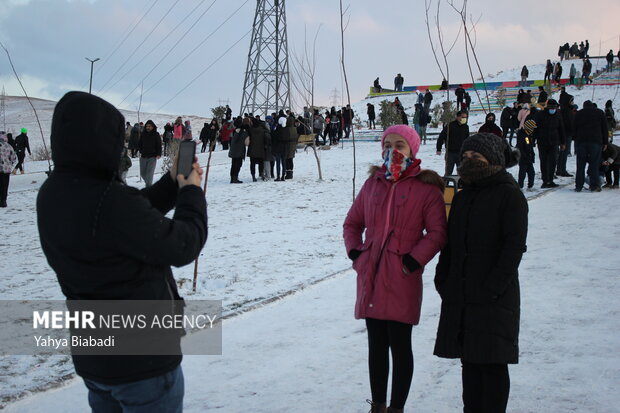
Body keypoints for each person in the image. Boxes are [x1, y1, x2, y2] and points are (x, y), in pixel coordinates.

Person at [37, 91, 207, 413]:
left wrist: (172, 183)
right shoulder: (109, 202)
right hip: (141, 364)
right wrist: (191, 192)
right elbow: (184, 244)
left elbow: (130, 218)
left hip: (96, 358)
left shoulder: (54, 193)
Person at [343, 124, 447, 413]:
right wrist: (356, 254)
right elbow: (352, 223)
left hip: (402, 275)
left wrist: (412, 261)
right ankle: (377, 405)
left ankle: (396, 408)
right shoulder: (373, 183)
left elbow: (437, 233)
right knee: (376, 345)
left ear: (412, 149)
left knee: (400, 347)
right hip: (371, 274)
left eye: (400, 144)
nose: (393, 150)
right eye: (388, 144)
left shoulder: (426, 188)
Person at [434, 133, 527, 413]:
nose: (469, 162)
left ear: (494, 159)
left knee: (492, 363)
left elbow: (513, 248)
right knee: (470, 362)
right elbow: (450, 243)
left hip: (494, 297)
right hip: (462, 293)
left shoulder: (509, 194)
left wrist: (492, 288)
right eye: (465, 157)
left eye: (476, 157)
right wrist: (443, 277)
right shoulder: (463, 196)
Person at [573, 100, 608, 192]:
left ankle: (578, 186)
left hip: (581, 142)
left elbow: (574, 128)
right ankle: (594, 185)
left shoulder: (579, 113)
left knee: (580, 165)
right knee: (594, 164)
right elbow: (605, 128)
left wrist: (575, 140)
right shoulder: (600, 112)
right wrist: (605, 142)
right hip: (596, 142)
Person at [533, 99, 565, 188]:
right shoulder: (540, 115)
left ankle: (550, 180)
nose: (553, 109)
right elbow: (534, 128)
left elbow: (561, 129)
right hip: (542, 142)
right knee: (544, 161)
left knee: (553, 161)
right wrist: (533, 140)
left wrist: (563, 142)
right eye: (551, 108)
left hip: (554, 142)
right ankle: (545, 180)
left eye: (554, 108)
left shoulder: (558, 115)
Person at [437, 110, 470, 176]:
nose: (464, 119)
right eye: (462, 117)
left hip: (461, 153)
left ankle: (460, 185)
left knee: (462, 173)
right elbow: (441, 137)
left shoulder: (466, 127)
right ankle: (445, 185)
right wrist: (438, 148)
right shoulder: (450, 126)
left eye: (465, 118)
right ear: (458, 117)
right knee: (448, 172)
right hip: (450, 153)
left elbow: (467, 140)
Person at [138, 119, 162, 187]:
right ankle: (149, 185)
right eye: (147, 126)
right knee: (142, 173)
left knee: (149, 174)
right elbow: (139, 144)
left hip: (152, 157)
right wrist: (141, 150)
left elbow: (159, 145)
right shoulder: (143, 134)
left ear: (153, 127)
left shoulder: (156, 134)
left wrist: (158, 154)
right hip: (143, 156)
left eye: (150, 126)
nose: (148, 127)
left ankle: (148, 187)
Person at [557, 94, 575, 177]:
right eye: (572, 101)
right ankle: (562, 169)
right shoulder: (567, 111)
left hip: (563, 134)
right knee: (564, 153)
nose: (573, 102)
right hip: (566, 134)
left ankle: (559, 169)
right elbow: (569, 124)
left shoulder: (562, 110)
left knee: (562, 153)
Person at [516, 119, 537, 190]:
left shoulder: (528, 135)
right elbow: (520, 148)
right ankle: (520, 186)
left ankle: (530, 186)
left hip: (529, 158)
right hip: (523, 158)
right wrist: (525, 156)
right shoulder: (522, 135)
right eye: (532, 128)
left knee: (532, 173)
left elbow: (530, 147)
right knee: (522, 173)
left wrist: (532, 155)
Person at [0, 131, 17, 207]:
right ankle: (4, 200)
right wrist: (10, 164)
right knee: (5, 185)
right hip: (7, 170)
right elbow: (13, 158)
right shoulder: (9, 146)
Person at [229, 117, 247, 183]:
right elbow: (247, 142)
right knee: (238, 165)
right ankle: (235, 178)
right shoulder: (243, 131)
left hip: (233, 150)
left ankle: (232, 178)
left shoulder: (234, 131)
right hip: (240, 151)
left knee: (233, 164)